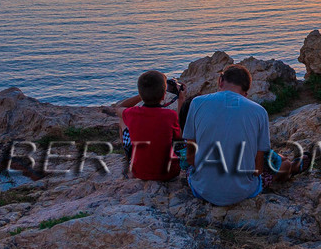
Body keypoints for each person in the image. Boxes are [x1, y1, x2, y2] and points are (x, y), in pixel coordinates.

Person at [181, 65, 296, 205]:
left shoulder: (197, 103)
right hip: (242, 192)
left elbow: (191, 158)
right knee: (283, 166)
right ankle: (296, 166)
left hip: (202, 190)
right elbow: (257, 169)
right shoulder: (259, 111)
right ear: (245, 94)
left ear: (220, 81)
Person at [119, 71, 182, 182]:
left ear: (140, 92)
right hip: (170, 173)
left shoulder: (131, 113)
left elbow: (119, 107)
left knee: (122, 121)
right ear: (164, 95)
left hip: (139, 172)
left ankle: (129, 160)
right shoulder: (170, 115)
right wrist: (181, 99)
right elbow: (180, 136)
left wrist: (142, 95)